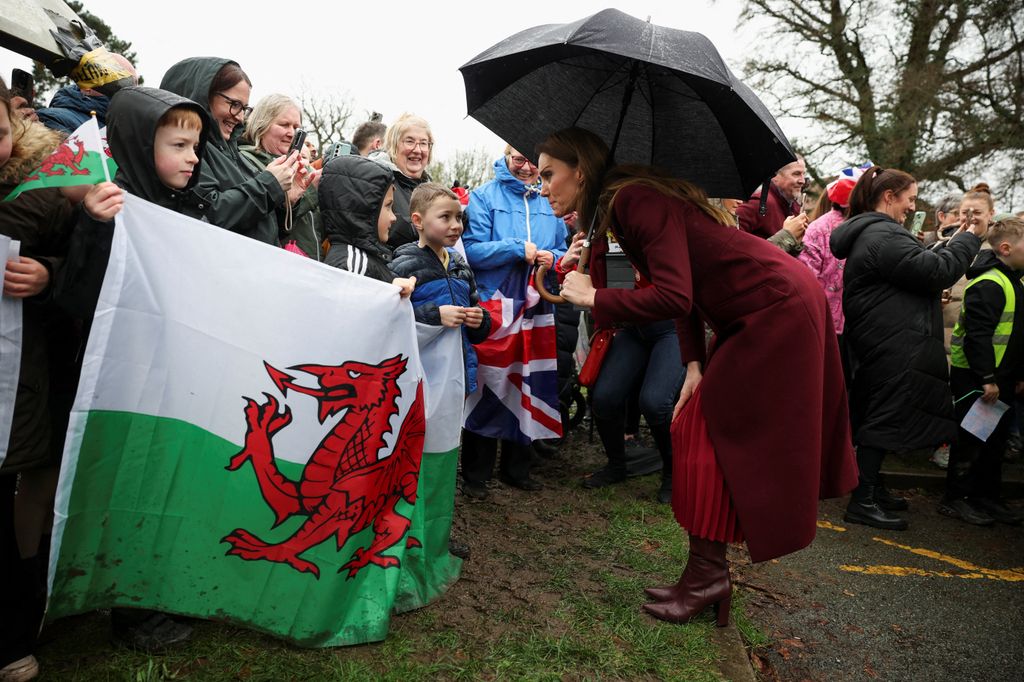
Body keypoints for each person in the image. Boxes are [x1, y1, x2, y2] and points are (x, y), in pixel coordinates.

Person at [544, 127, 857, 627]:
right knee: (691, 426)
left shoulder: (634, 200)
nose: (543, 187)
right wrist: (693, 363)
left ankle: (707, 576)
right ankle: (704, 573)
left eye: (548, 174)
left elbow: (672, 296)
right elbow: (684, 289)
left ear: (579, 170)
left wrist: (593, 297)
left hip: (776, 307)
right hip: (758, 308)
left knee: (709, 432)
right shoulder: (622, 205)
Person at [56, 86, 214, 651]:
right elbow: (75, 297)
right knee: (129, 487)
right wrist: (96, 227)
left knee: (166, 486)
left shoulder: (186, 209)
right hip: (124, 385)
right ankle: (127, 609)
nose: (194, 157)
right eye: (179, 145)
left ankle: (151, 592)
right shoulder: (110, 206)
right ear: (137, 145)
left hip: (172, 380)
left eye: (195, 145)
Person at [830, 167, 986, 531]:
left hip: (885, 340)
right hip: (892, 343)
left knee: (878, 412)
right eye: (910, 199)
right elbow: (934, 271)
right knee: (883, 417)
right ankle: (863, 500)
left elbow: (914, 269)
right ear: (889, 197)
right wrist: (970, 240)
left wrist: (952, 239)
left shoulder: (877, 234)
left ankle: (873, 488)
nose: (912, 207)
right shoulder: (882, 234)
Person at [0, 79, 78, 682]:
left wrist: (47, 273)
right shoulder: (47, 191)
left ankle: (13, 630)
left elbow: (85, 262)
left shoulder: (41, 182)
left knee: (23, 494)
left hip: (20, 373)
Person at [460, 146, 568, 497]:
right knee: (490, 383)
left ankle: (517, 469)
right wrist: (514, 248)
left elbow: (566, 251)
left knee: (529, 383)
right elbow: (471, 250)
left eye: (531, 162)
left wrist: (554, 257)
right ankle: (476, 475)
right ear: (504, 156)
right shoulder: (483, 196)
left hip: (538, 307)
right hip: (497, 307)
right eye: (516, 159)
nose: (524, 168)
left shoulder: (549, 199)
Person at [557, 229, 684, 503]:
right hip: (631, 326)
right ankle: (618, 465)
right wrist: (569, 264)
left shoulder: (651, 227)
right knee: (604, 398)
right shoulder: (595, 234)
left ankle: (674, 473)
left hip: (670, 327)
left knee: (655, 402)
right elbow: (577, 287)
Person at [160, 57, 303, 245]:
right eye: (234, 104)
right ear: (204, 95)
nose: (241, 117)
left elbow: (258, 226)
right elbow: (210, 215)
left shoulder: (231, 152)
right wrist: (270, 186)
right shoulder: (190, 153)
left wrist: (286, 202)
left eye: (244, 108)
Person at [939, 214, 1024, 526]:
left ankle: (986, 497)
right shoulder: (989, 283)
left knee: (995, 443)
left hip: (1004, 377)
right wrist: (987, 378)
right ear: (1005, 248)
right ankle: (955, 498)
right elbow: (977, 335)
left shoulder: (1017, 280)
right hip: (978, 378)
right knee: (972, 441)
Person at [390, 183, 492, 391]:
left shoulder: (461, 265)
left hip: (458, 377)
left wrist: (480, 320)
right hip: (421, 379)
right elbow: (394, 324)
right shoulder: (402, 266)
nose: (456, 225)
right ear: (418, 221)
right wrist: (435, 316)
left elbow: (475, 317)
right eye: (445, 217)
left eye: (458, 217)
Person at [799, 164, 867, 373]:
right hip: (852, 324)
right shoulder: (866, 227)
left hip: (825, 323)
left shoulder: (817, 227)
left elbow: (805, 276)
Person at [239, 94, 323, 260]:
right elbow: (258, 219)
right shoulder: (245, 161)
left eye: (296, 127)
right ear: (261, 124)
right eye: (284, 125)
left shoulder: (301, 165)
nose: (292, 133)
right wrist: (311, 190)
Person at [318, 154, 414, 293]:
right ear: (363, 209)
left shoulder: (363, 258)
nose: (393, 217)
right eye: (388, 206)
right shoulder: (352, 266)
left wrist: (391, 283)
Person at [35, 53, 138, 134]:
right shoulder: (50, 119)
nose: (127, 91)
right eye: (118, 81)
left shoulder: (128, 133)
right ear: (87, 85)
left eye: (132, 84)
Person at [736, 157, 808, 254]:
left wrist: (797, 243)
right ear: (775, 176)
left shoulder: (793, 207)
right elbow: (733, 247)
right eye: (796, 174)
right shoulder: (759, 204)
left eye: (804, 174)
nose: (802, 181)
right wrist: (787, 236)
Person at [383, 114, 434, 250]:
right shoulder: (379, 179)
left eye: (423, 143)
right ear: (394, 146)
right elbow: (388, 228)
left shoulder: (433, 191)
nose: (417, 150)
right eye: (409, 141)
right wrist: (429, 227)